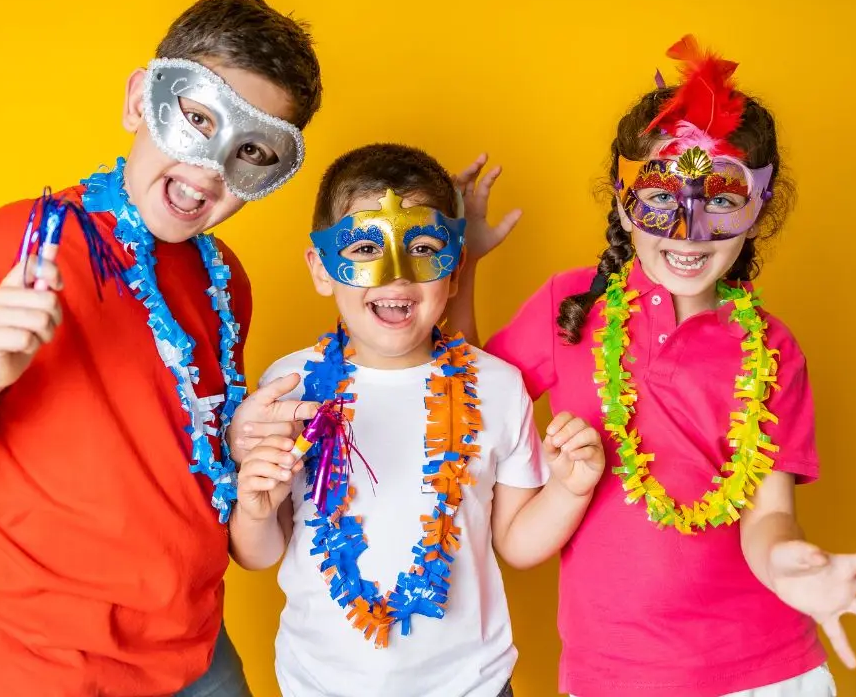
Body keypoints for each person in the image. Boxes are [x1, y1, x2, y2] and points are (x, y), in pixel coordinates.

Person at [0, 0, 322, 697]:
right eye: (196, 120)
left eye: (250, 151)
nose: (208, 173)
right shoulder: (23, 244)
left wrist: (239, 438)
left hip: (194, 654)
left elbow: (182, 459)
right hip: (42, 667)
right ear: (141, 100)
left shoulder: (226, 279)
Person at [451, 36, 856, 697]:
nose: (689, 230)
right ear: (623, 200)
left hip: (765, 670)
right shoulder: (572, 306)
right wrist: (464, 266)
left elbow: (768, 516)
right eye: (659, 199)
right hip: (611, 676)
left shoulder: (773, 349)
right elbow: (467, 390)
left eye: (723, 199)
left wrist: (790, 563)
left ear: (760, 210)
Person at [229, 143, 604, 697]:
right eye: (363, 246)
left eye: (424, 248)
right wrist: (256, 508)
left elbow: (518, 544)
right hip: (319, 684)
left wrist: (572, 488)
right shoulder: (287, 388)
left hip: (469, 685)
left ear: (454, 271)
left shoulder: (498, 387)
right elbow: (259, 553)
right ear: (322, 268)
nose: (396, 276)